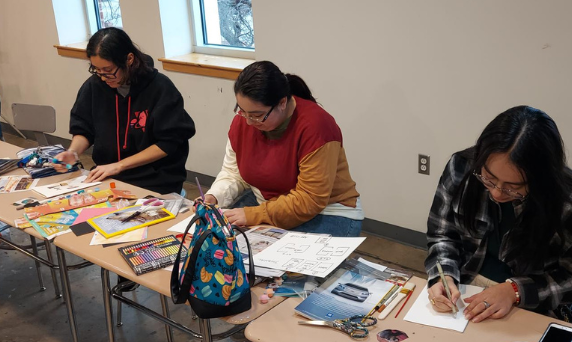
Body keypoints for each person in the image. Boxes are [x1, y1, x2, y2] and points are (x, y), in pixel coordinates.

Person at [425, 106, 572, 326]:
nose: (496, 193)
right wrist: (442, 274)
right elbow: (442, 233)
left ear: (541, 178)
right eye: (489, 179)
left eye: (513, 187)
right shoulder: (462, 169)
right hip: (467, 289)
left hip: (539, 305)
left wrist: (515, 291)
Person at [203, 60, 363, 237]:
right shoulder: (244, 122)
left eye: (257, 115)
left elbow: (309, 199)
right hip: (267, 203)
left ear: (282, 103)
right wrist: (214, 196)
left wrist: (254, 215)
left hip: (327, 212)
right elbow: (234, 173)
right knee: (215, 238)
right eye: (241, 111)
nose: (248, 121)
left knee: (259, 257)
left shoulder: (316, 127)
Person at [55, 27, 195, 195]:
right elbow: (84, 128)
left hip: (155, 181)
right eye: (96, 70)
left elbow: (169, 143)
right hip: (109, 176)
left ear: (129, 59)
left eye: (108, 71)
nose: (102, 77)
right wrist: (73, 152)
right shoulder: (94, 86)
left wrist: (119, 165)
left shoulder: (160, 88)